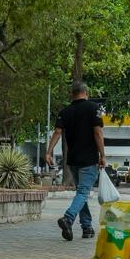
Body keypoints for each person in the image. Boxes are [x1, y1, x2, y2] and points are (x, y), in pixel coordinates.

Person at [45, 81, 105, 241]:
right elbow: (98, 132)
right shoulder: (94, 108)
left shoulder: (65, 111)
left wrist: (49, 152)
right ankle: (68, 218)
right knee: (84, 192)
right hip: (88, 159)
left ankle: (87, 227)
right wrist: (103, 155)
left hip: (72, 160)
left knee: (81, 193)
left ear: (72, 94)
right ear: (86, 92)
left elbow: (57, 132)